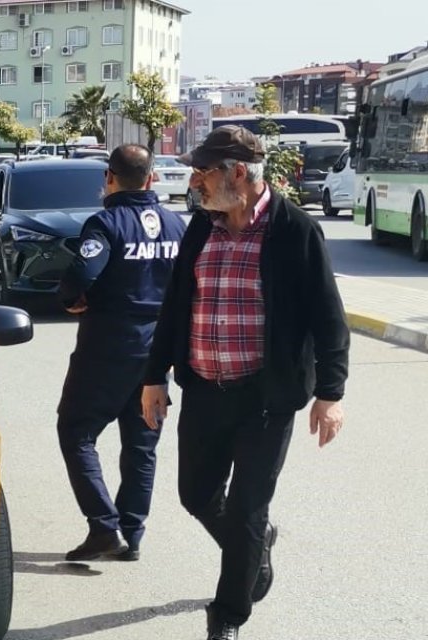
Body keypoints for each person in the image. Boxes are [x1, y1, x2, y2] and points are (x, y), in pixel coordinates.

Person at [140, 125, 350, 640]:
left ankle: (228, 614)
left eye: (203, 171)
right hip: (206, 391)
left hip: (265, 397)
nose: (194, 181)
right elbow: (175, 307)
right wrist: (154, 376)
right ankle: (255, 543)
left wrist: (331, 393)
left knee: (247, 508)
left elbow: (329, 318)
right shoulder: (200, 228)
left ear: (238, 173)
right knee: (196, 494)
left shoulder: (294, 230)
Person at [55, 144, 186, 563]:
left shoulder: (106, 222)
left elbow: (82, 271)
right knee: (141, 443)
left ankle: (103, 526)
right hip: (157, 350)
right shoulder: (176, 225)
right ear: (151, 179)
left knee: (76, 432)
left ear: (109, 178)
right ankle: (133, 531)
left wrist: (72, 297)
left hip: (108, 346)